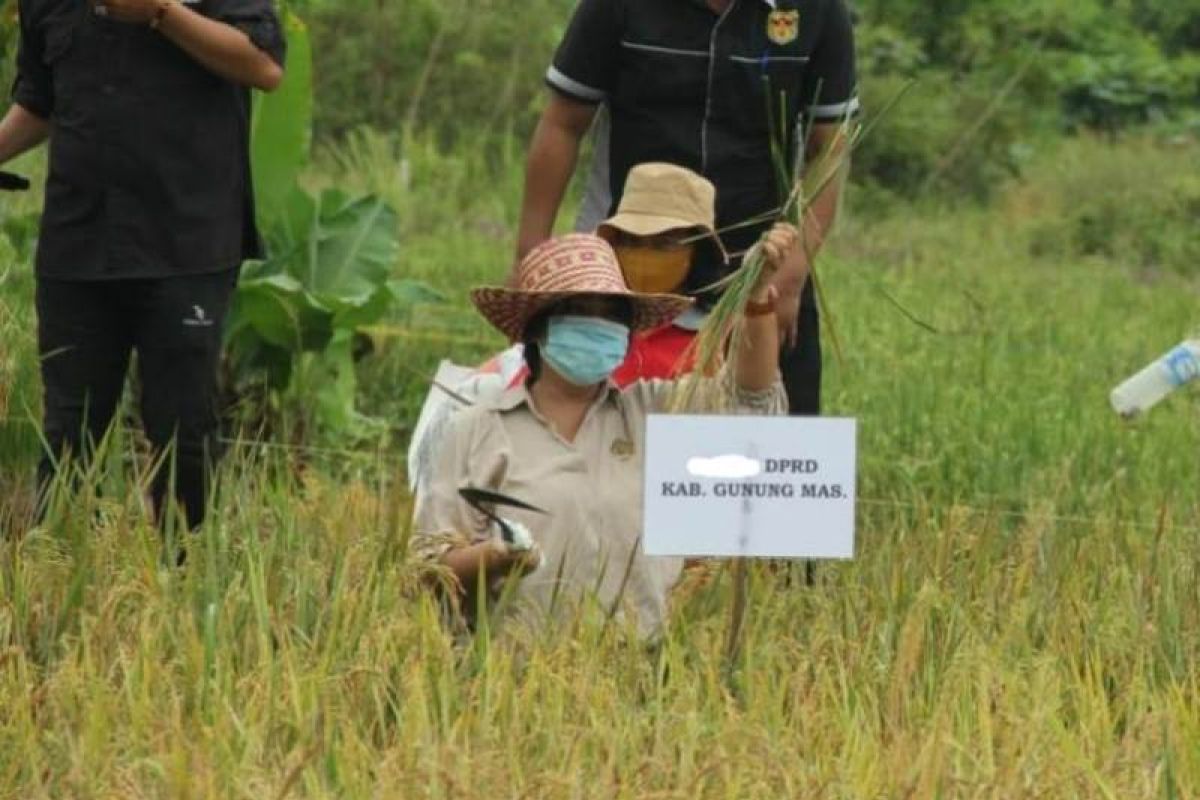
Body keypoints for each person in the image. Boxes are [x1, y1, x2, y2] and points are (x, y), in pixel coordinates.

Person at [414, 224, 799, 638]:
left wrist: (756, 298)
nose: (597, 325)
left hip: (637, 669)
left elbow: (746, 396)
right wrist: (496, 556)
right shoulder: (477, 426)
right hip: (516, 679)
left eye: (611, 315)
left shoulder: (651, 411)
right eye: (580, 311)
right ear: (539, 329)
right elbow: (431, 568)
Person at [0, 0, 286, 529]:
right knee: (69, 428)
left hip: (186, 245)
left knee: (181, 426)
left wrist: (161, 13)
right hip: (78, 242)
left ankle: (184, 573)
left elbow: (264, 66)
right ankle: (57, 569)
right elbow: (39, 102)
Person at [515, 0, 859, 416]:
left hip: (760, 266)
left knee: (774, 443)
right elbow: (563, 122)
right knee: (606, 434)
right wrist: (530, 258)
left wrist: (787, 278)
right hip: (631, 267)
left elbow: (830, 151)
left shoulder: (816, 10)